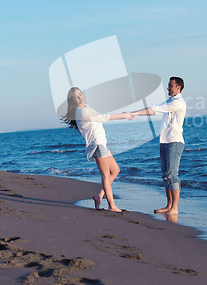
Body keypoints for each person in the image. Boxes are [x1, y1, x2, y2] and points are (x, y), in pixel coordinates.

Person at [62, 87, 131, 212]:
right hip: (97, 145)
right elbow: (103, 117)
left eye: (80, 94)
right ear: (73, 101)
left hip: (101, 145)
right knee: (105, 175)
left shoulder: (85, 108)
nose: (80, 97)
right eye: (76, 97)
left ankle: (99, 196)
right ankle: (111, 205)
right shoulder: (82, 112)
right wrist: (123, 116)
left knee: (115, 170)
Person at [130, 77, 186, 215]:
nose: (167, 88)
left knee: (173, 175)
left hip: (175, 142)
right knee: (166, 175)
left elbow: (155, 109)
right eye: (168, 85)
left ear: (178, 87)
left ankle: (175, 208)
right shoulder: (170, 101)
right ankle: (169, 206)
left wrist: (135, 113)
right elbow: (155, 109)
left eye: (170, 86)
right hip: (165, 142)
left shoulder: (178, 103)